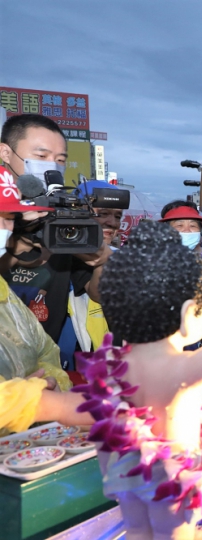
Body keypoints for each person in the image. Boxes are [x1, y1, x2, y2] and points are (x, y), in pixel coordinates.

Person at [87, 220, 202, 539]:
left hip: (126, 470)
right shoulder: (180, 369)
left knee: (136, 529)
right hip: (172, 478)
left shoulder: (114, 366)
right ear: (190, 313)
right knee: (175, 535)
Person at [0, 114, 113, 343]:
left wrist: (103, 261)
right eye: (41, 155)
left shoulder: (65, 217)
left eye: (60, 160)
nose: (51, 166)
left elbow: (97, 294)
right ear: (5, 153)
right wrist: (14, 243)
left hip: (44, 363)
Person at [0, 166, 71, 392]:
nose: (4, 227)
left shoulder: (8, 300)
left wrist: (54, 386)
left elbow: (45, 356)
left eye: (10, 217)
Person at [68, 180, 125, 353]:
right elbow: (98, 293)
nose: (112, 223)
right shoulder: (64, 255)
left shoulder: (123, 258)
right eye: (103, 213)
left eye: (117, 216)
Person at [158, 201, 202, 344]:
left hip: (200, 350)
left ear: (200, 235)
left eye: (193, 226)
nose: (187, 231)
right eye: (179, 226)